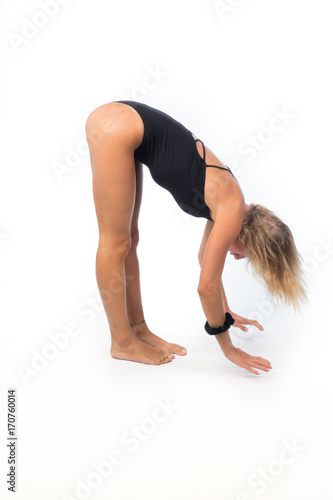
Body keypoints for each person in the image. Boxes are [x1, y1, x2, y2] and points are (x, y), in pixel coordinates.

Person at [85, 100, 308, 374]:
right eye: (245, 253)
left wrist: (224, 311)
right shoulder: (231, 210)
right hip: (116, 125)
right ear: (251, 237)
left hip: (127, 124)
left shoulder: (231, 202)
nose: (237, 256)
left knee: (129, 239)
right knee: (115, 242)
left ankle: (137, 330)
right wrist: (229, 348)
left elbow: (204, 259)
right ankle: (122, 342)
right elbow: (207, 287)